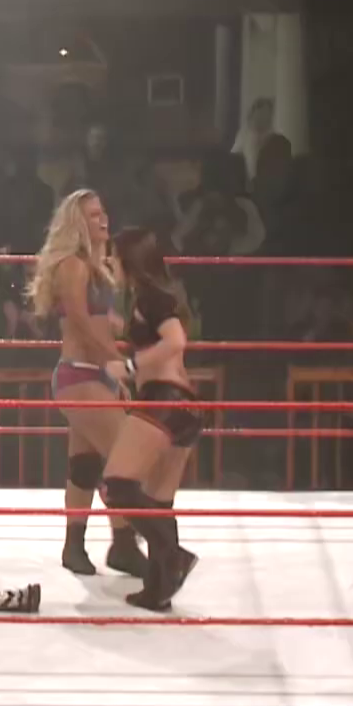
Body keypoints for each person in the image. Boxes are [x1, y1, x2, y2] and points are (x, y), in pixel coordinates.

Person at [25, 189, 146, 577]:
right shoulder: (73, 266)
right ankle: (124, 544)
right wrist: (114, 360)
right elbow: (78, 320)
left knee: (85, 464)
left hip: (95, 375)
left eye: (103, 212)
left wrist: (120, 348)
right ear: (77, 223)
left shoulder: (96, 268)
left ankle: (74, 546)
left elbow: (98, 322)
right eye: (94, 215)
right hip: (79, 374)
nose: (103, 219)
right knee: (125, 458)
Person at [101, 227, 202, 611]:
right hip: (185, 406)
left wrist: (130, 366)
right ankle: (158, 591)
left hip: (165, 399)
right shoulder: (154, 297)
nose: (110, 263)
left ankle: (172, 556)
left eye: (113, 256)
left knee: (117, 485)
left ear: (129, 260)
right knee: (158, 503)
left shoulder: (151, 297)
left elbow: (175, 342)